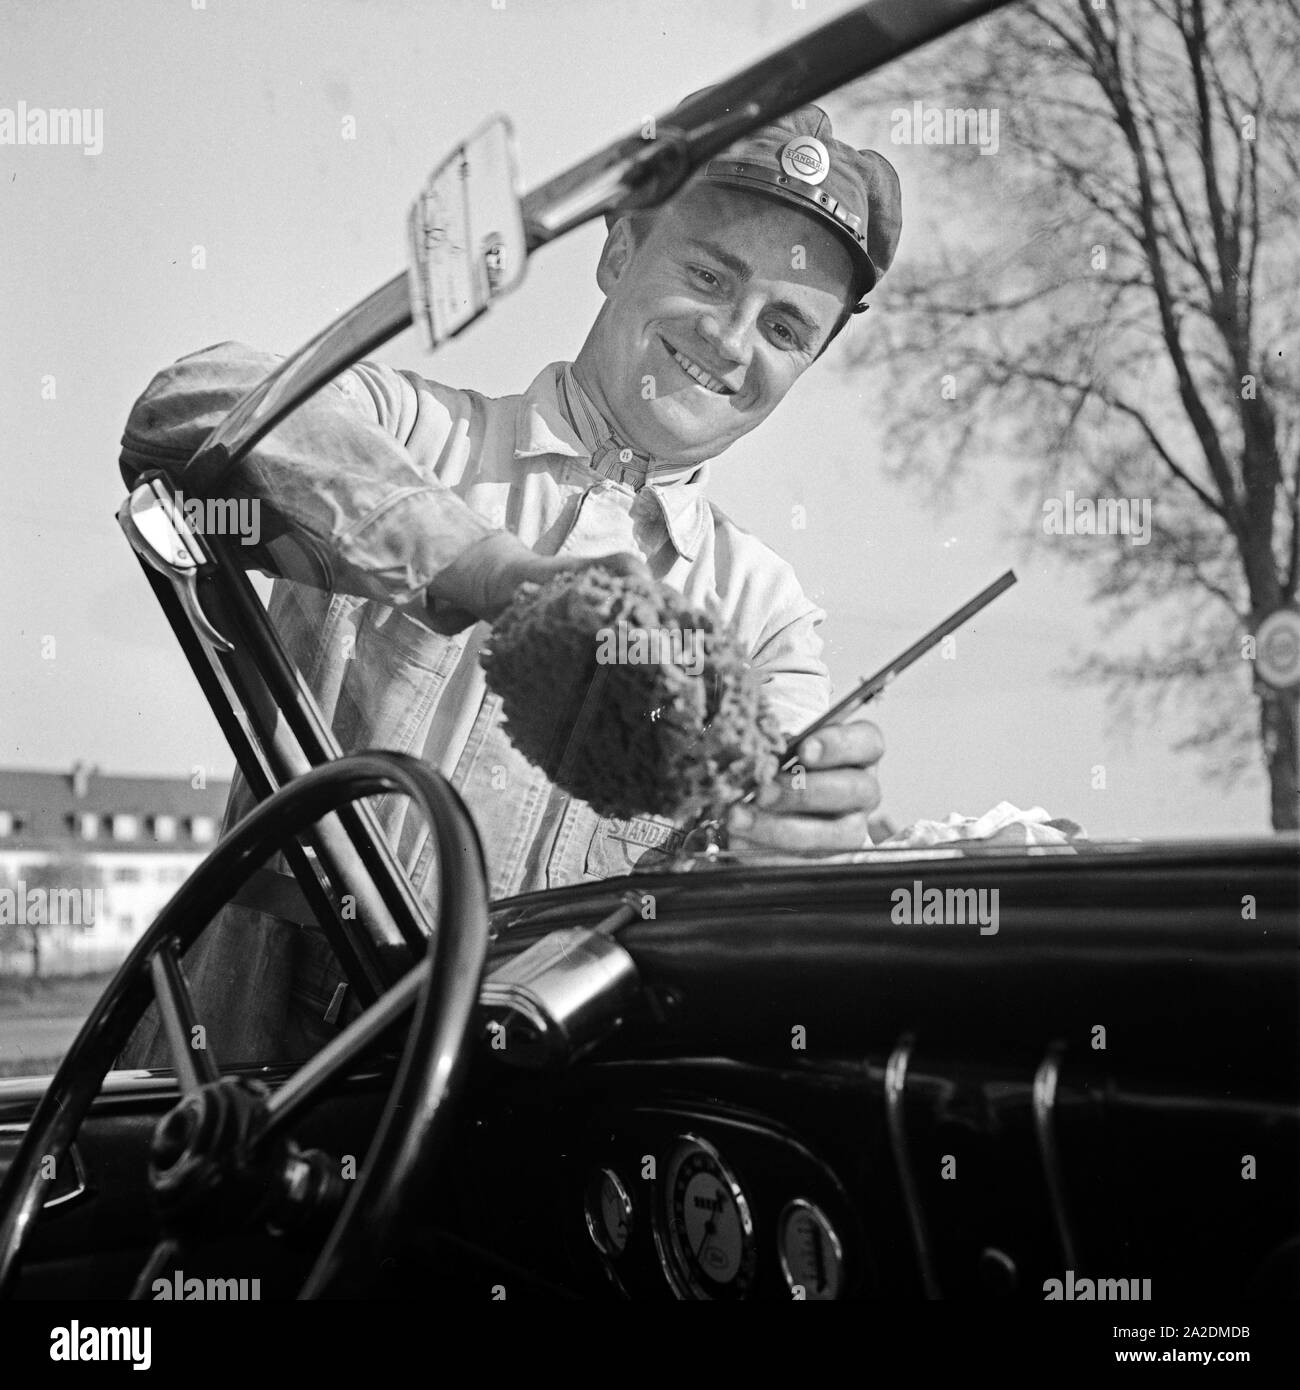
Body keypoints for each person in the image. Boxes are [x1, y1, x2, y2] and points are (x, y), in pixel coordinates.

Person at [118, 100, 902, 1066]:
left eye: (784, 327)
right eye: (708, 276)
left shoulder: (766, 616)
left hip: (546, 1114)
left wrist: (799, 840)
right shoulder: (416, 434)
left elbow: (766, 879)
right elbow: (191, 408)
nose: (733, 342)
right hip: (263, 1079)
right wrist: (499, 577)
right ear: (617, 254)